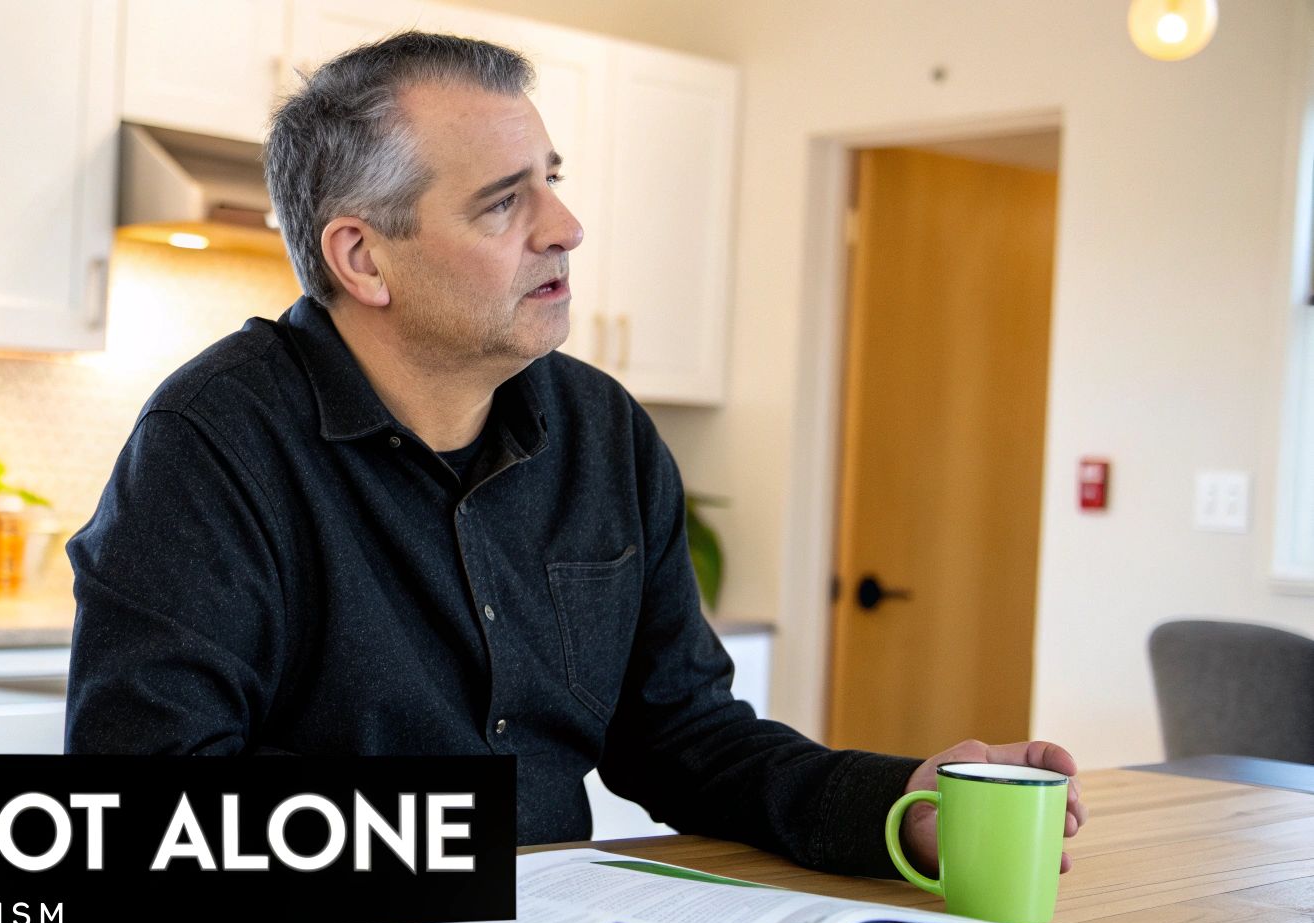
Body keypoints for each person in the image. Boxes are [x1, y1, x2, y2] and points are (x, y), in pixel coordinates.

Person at [64, 31, 1086, 877]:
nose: (566, 226)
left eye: (548, 182)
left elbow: (683, 736)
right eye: (503, 202)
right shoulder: (212, 440)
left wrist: (893, 804)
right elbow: (148, 801)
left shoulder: (604, 434)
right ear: (360, 257)